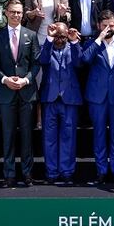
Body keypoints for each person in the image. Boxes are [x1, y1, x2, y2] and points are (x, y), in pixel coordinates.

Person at [0, 0, 40, 187]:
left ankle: (27, 174)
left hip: (27, 92)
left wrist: (26, 80)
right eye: (13, 12)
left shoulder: (31, 35)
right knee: (8, 135)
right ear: (6, 13)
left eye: (19, 12)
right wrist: (5, 80)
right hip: (5, 92)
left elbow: (36, 64)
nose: (16, 15)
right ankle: (9, 174)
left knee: (27, 135)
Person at [81, 10, 114, 185]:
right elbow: (84, 60)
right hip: (97, 97)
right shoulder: (91, 44)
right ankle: (101, 171)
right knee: (99, 134)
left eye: (111, 25)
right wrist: (98, 39)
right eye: (104, 26)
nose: (108, 28)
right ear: (98, 26)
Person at [38, 22, 84, 185]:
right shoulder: (48, 46)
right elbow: (42, 60)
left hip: (69, 99)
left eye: (62, 36)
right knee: (49, 137)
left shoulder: (72, 47)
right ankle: (51, 171)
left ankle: (67, 171)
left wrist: (74, 41)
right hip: (50, 99)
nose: (59, 39)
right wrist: (49, 38)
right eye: (57, 36)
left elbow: (80, 62)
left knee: (68, 137)